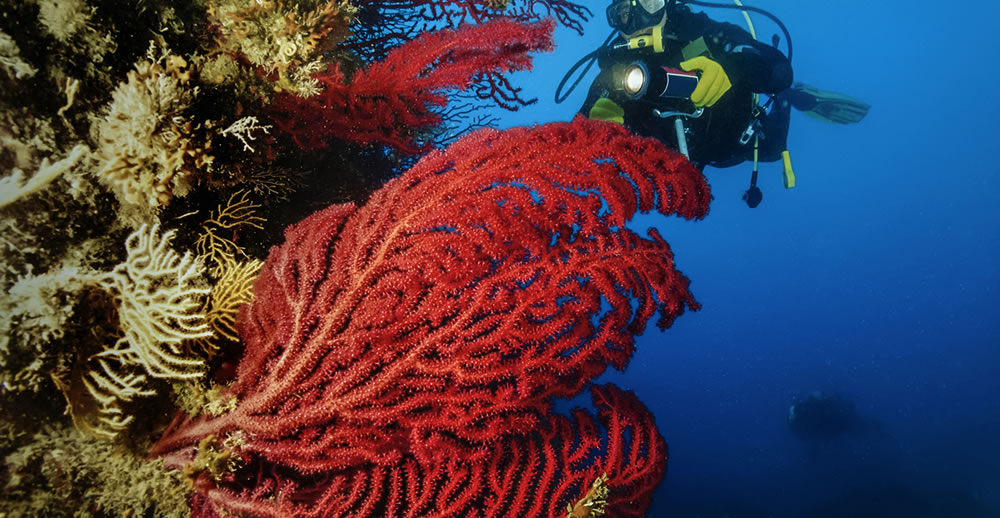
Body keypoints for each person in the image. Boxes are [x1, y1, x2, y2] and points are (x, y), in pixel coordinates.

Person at [575, 0, 869, 207]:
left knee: (773, 146)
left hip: (739, 139)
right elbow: (577, 142)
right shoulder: (614, 76)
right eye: (624, 12)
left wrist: (733, 68)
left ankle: (794, 98)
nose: (638, 23)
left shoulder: (709, 34)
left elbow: (779, 70)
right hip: (696, 158)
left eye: (650, 5)